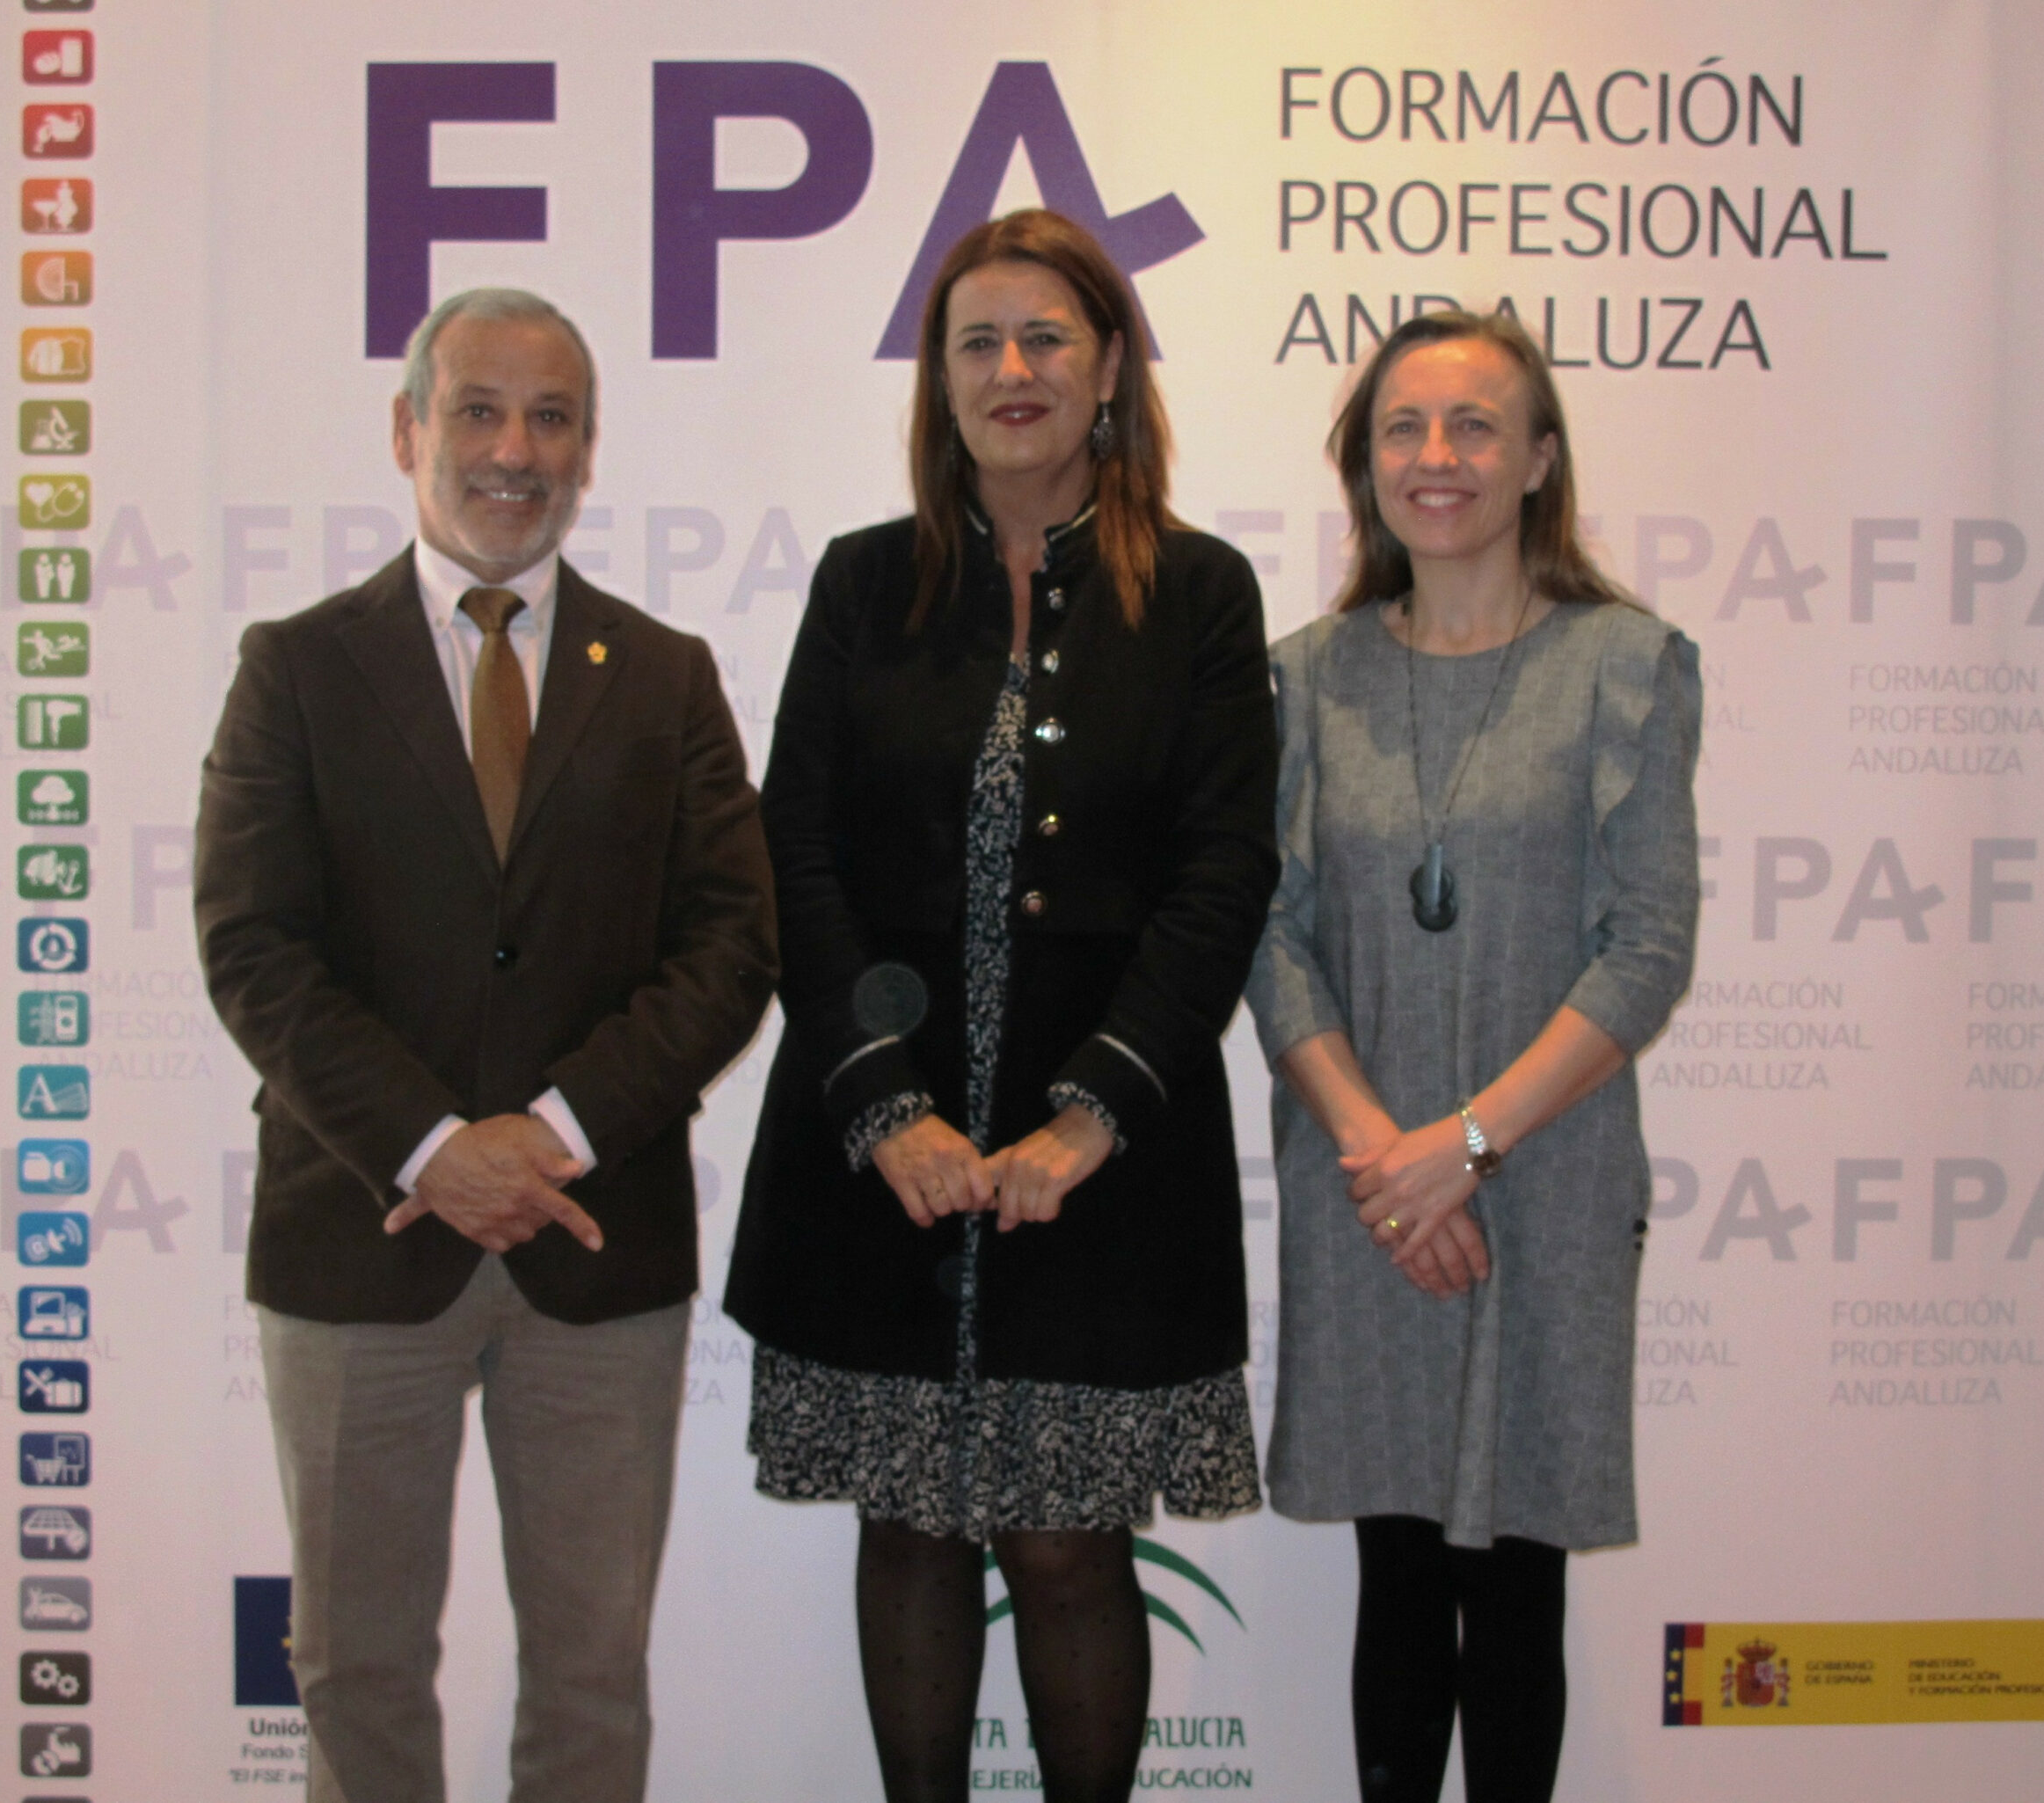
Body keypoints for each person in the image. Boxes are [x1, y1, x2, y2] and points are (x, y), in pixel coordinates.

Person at [725, 209, 1279, 1803]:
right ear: (939, 381)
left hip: (1103, 1165)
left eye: (1046, 336)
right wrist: (885, 1109)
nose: (1011, 368)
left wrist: (1090, 1116)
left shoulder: (1202, 591)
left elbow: (1223, 874)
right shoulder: (863, 581)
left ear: (1108, 368)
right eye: (977, 341)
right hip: (880, 1156)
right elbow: (795, 850)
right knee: (907, 1526)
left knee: (1063, 1541)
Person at [195, 287, 777, 1803]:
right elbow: (253, 947)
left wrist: (552, 1133)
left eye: (551, 417)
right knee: (354, 1668)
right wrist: (434, 1148)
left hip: (598, 1239)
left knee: (591, 1674)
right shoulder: (296, 667)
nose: (515, 449)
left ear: (587, 448)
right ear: (408, 431)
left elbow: (732, 947)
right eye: (478, 410)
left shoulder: (667, 676)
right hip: (359, 1231)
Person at [1245, 310, 1701, 1803]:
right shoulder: (1302, 679)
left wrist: (1469, 1148)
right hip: (1364, 1187)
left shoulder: (1627, 666)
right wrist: (1387, 1159)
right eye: (1403, 427)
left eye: (1474, 426)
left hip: (1544, 1184)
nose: (1435, 458)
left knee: (1515, 1581)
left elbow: (1646, 948)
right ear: (1364, 463)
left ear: (1539, 459)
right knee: (1394, 1568)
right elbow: (1268, 934)